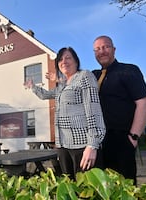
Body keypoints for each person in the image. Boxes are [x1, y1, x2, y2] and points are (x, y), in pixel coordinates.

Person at [24, 47, 105, 179]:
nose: (64, 61)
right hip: (63, 146)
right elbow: (45, 95)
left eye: (68, 58)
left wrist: (92, 145)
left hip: (83, 146)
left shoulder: (84, 76)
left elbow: (94, 110)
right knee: (69, 188)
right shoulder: (61, 85)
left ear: (76, 61)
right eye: (60, 59)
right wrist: (33, 86)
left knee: (87, 191)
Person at [92, 35, 146, 185]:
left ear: (114, 49)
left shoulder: (129, 70)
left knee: (124, 189)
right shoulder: (93, 76)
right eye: (97, 49)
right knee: (102, 189)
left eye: (105, 47)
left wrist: (133, 138)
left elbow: (144, 103)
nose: (102, 51)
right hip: (97, 143)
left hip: (121, 140)